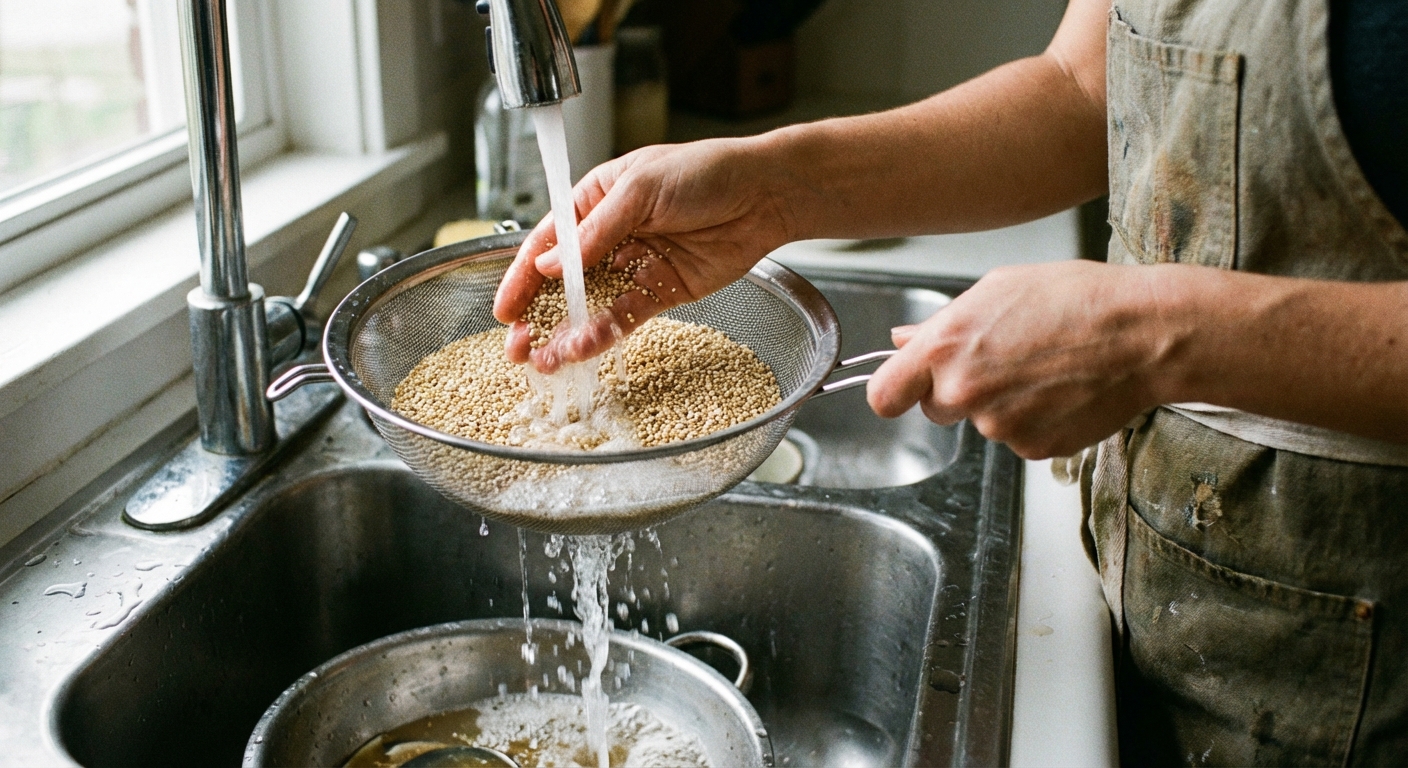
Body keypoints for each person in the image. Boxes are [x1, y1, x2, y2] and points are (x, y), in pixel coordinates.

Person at [493, 0, 1408, 763]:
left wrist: (1158, 335)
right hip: (1162, 583)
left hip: (1360, 659)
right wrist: (770, 188)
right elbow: (1085, 90)